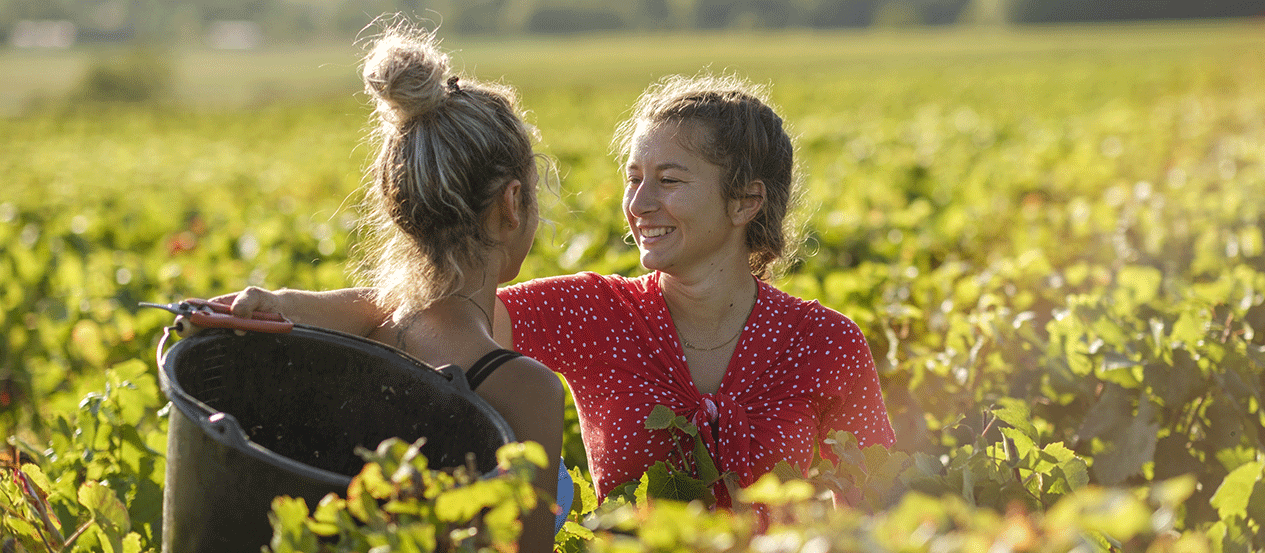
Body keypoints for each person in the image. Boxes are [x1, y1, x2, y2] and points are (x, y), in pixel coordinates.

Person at [225, 74, 895, 509]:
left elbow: (877, 506)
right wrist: (285, 304)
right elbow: (436, 307)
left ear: (747, 200)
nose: (639, 202)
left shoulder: (826, 341)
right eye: (633, 178)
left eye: (668, 179)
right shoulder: (594, 311)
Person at [213, 24, 568, 551]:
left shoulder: (363, 334)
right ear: (512, 204)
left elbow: (381, 305)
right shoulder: (525, 389)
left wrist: (283, 304)